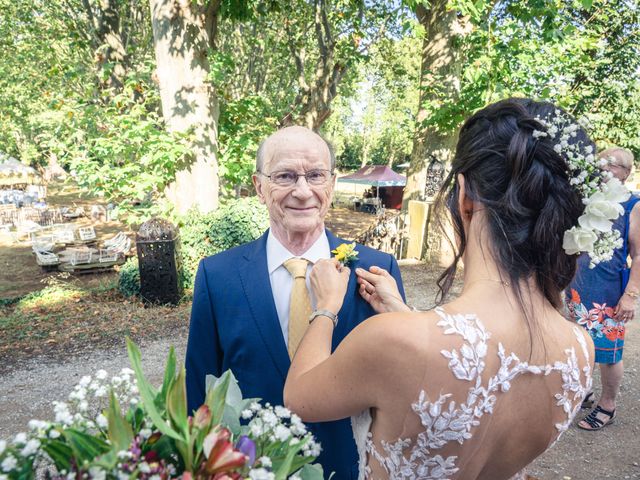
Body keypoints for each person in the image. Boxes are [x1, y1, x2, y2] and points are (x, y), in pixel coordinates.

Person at [284, 98, 599, 480]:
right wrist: (405, 317)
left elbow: (298, 396)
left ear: (465, 196)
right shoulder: (580, 350)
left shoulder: (395, 341)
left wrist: (326, 307)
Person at [185, 126, 405, 479]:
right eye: (285, 176)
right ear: (259, 187)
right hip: (250, 469)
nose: (303, 192)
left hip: (349, 468)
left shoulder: (376, 271)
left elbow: (402, 386)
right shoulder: (217, 275)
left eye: (315, 175)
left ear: (331, 184)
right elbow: (198, 391)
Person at [566, 147, 639, 431]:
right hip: (577, 290)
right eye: (602, 163)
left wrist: (631, 295)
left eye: (613, 164)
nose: (605, 168)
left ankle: (608, 405)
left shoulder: (634, 205)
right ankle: (584, 393)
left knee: (609, 353)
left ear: (627, 172)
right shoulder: (586, 199)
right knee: (579, 346)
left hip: (608, 295)